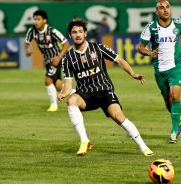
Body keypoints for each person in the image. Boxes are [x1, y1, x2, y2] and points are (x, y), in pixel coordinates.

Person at [58, 18, 153, 156]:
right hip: (86, 95)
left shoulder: (98, 48)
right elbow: (68, 83)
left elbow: (119, 60)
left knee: (119, 117)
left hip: (105, 91)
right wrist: (63, 93)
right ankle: (84, 140)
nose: (77, 34)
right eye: (74, 32)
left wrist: (132, 73)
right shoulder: (67, 58)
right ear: (70, 35)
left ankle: (144, 147)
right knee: (71, 100)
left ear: (85, 33)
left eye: (80, 31)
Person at [138, 0, 181, 143]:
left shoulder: (179, 24)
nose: (165, 10)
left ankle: (174, 131)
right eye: (161, 8)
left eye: (168, 7)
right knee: (167, 100)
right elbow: (140, 48)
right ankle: (178, 120)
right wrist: (149, 53)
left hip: (177, 65)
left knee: (175, 96)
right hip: (160, 69)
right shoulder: (151, 28)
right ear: (157, 12)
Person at [24, 10, 70, 112]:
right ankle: (75, 92)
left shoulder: (52, 31)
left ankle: (54, 105)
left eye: (38, 19)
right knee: (57, 85)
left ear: (44, 20)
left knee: (47, 80)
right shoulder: (32, 31)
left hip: (56, 59)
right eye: (35, 19)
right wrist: (27, 50)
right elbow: (26, 42)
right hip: (47, 60)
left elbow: (66, 44)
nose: (36, 21)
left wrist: (58, 57)